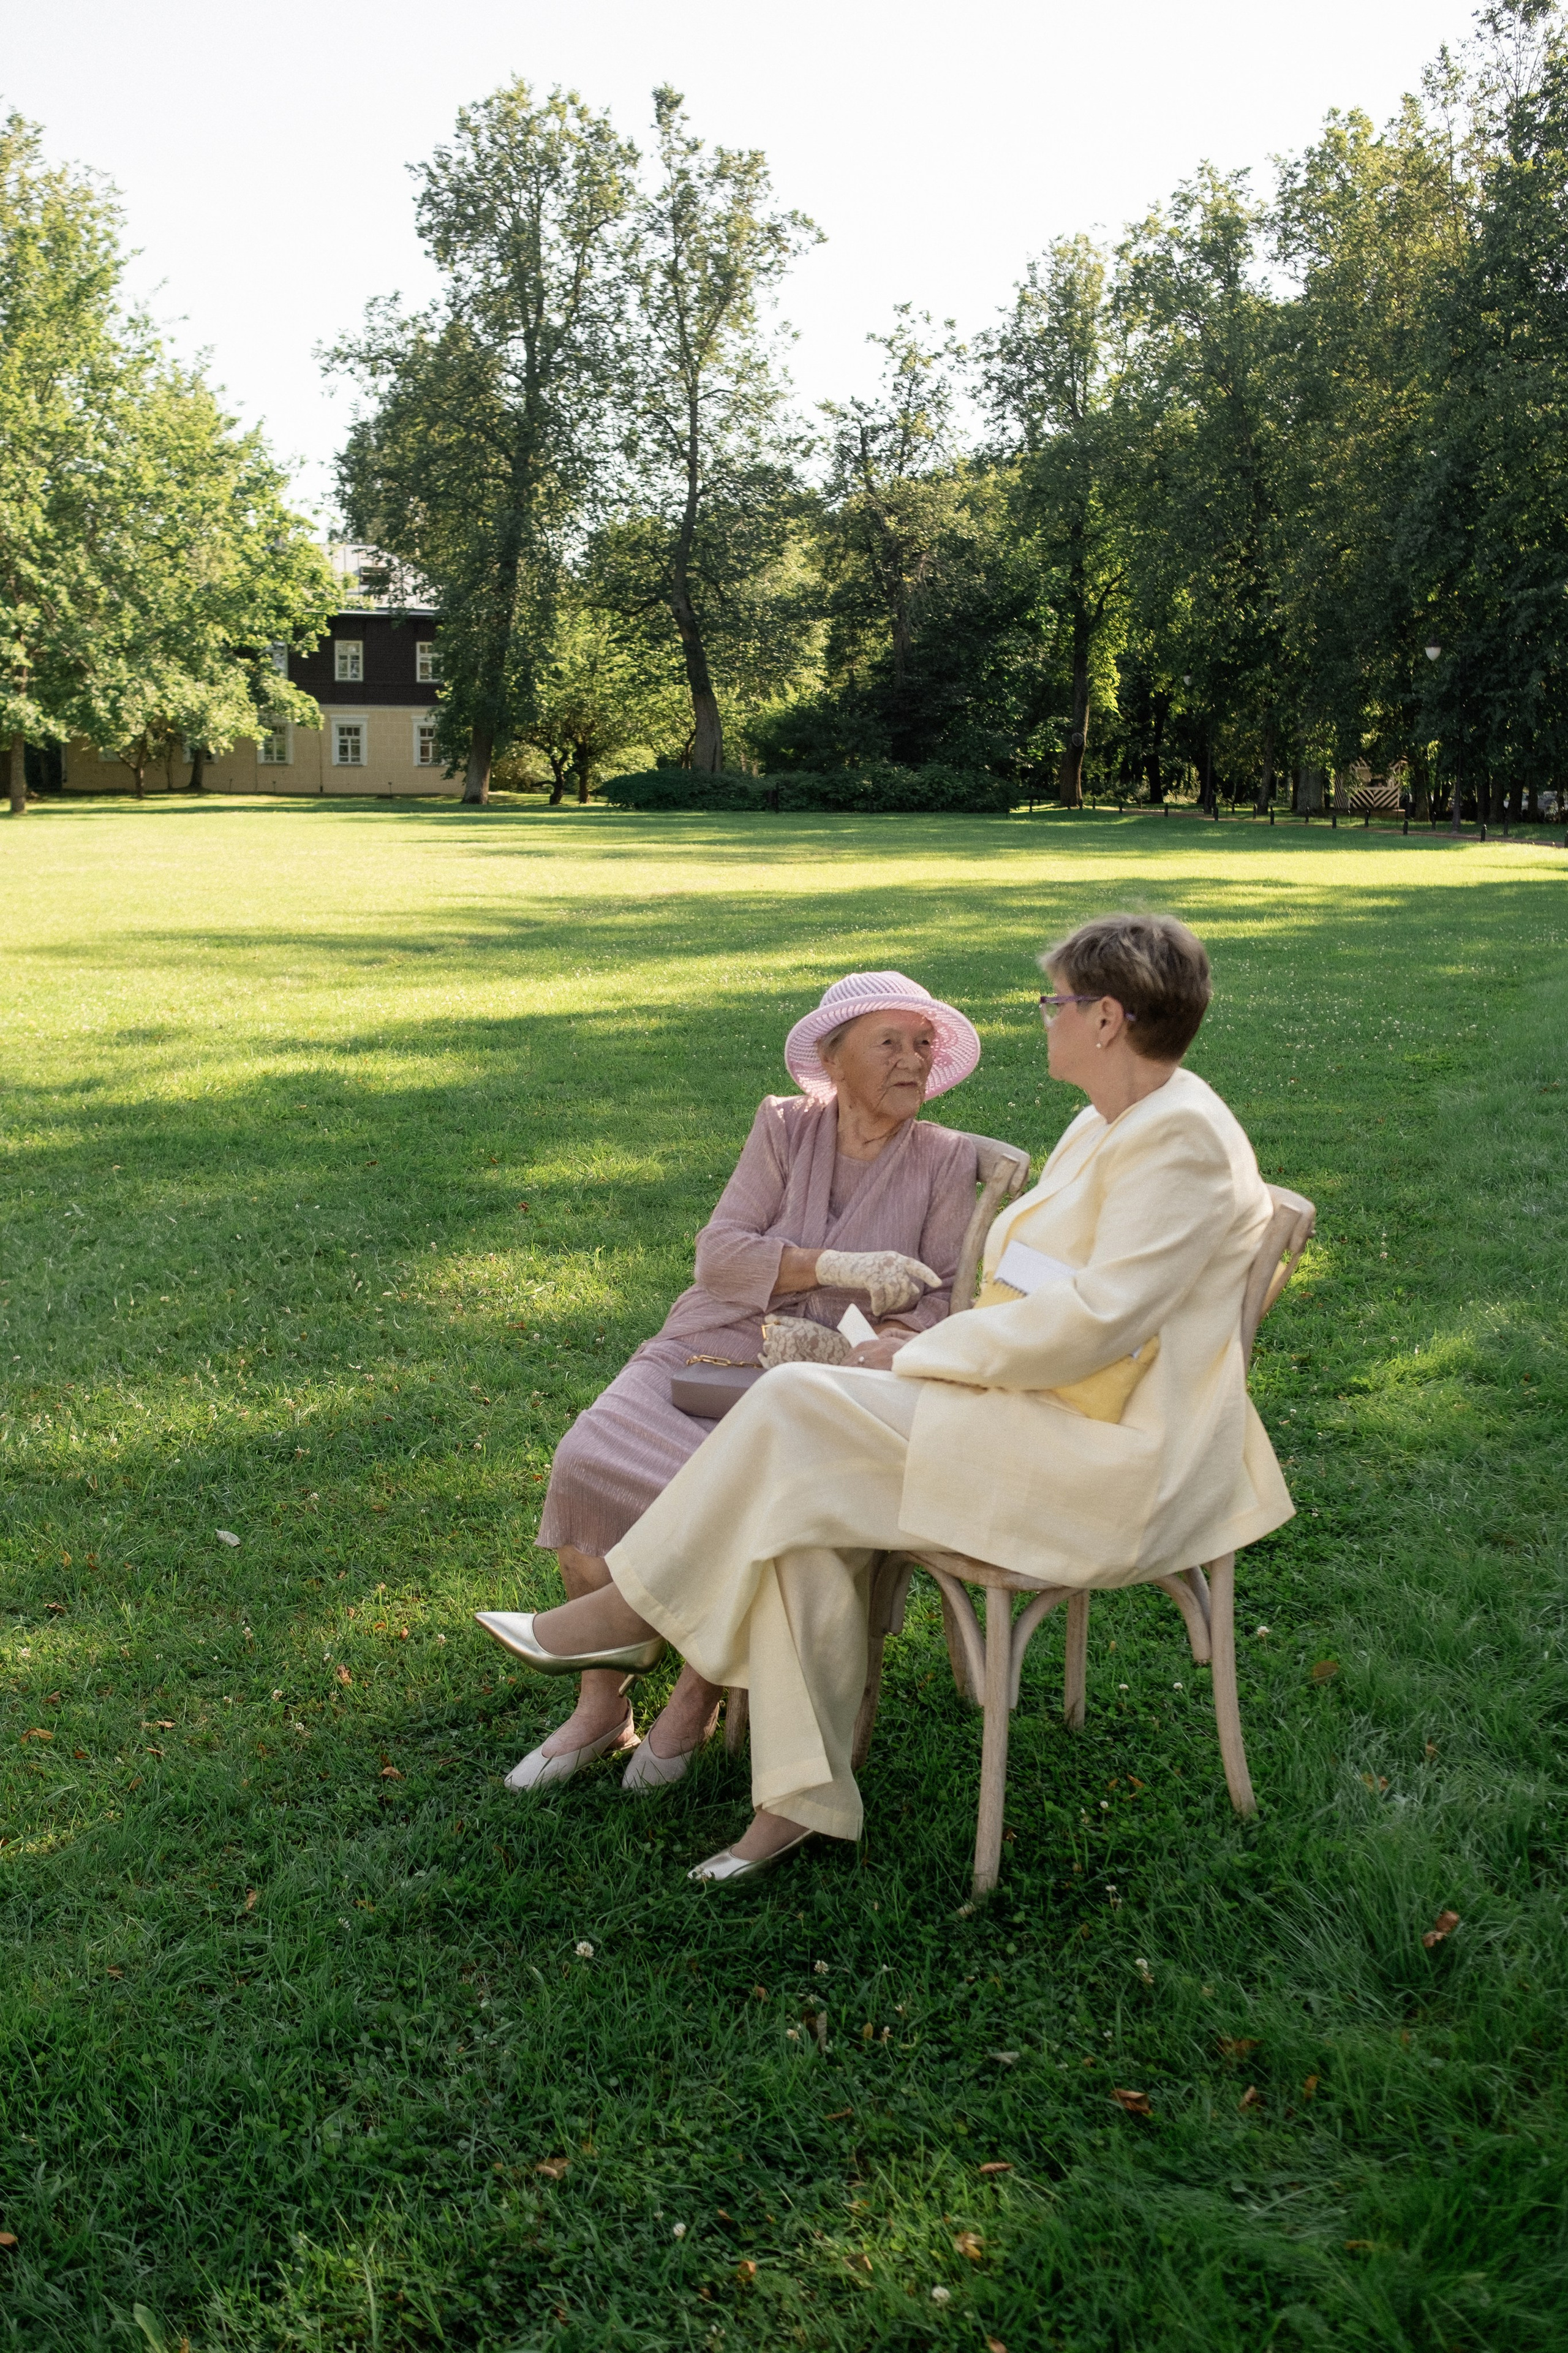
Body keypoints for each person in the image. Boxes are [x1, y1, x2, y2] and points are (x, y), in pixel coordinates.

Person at [481, 912, 1296, 1883]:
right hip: (1031, 1406)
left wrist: (916, 1355)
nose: (1047, 1018)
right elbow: (1032, 1289)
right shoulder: (1105, 1122)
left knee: (793, 1411)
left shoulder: (1184, 1141)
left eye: (1057, 1002)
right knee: (801, 1482)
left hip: (1108, 1455)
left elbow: (1094, 1321)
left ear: (1108, 1018)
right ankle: (799, 1800)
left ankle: (632, 1614)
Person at [480, 970, 984, 1793]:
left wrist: (863, 1349)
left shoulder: (943, 1157)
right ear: (835, 1057)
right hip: (718, 1345)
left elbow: (943, 1300)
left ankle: (693, 1697)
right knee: (585, 1460)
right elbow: (719, 1254)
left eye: (922, 1042)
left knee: (736, 1500)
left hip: (819, 1390)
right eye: (888, 1041)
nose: (913, 1059)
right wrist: (829, 1266)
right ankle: (602, 1704)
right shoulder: (784, 1127)